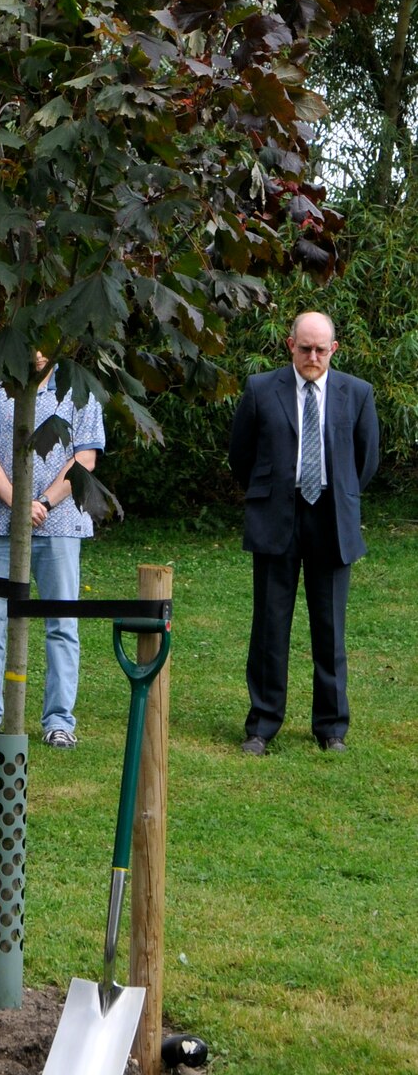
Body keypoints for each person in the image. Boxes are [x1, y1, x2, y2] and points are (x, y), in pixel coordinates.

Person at [230, 309, 379, 754]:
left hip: (332, 519)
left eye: (321, 349)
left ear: (334, 349)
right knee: (270, 626)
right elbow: (241, 455)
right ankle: (262, 725)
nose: (313, 357)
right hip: (277, 515)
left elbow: (365, 461)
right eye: (305, 348)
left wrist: (341, 493)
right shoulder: (260, 390)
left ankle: (331, 728)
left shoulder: (357, 393)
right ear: (290, 345)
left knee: (330, 627)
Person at [0, 354, 105, 749]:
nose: (36, 352)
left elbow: (84, 458)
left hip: (62, 526)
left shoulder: (80, 393)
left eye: (46, 342)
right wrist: (19, 504)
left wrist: (44, 503)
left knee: (62, 624)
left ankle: (59, 722)